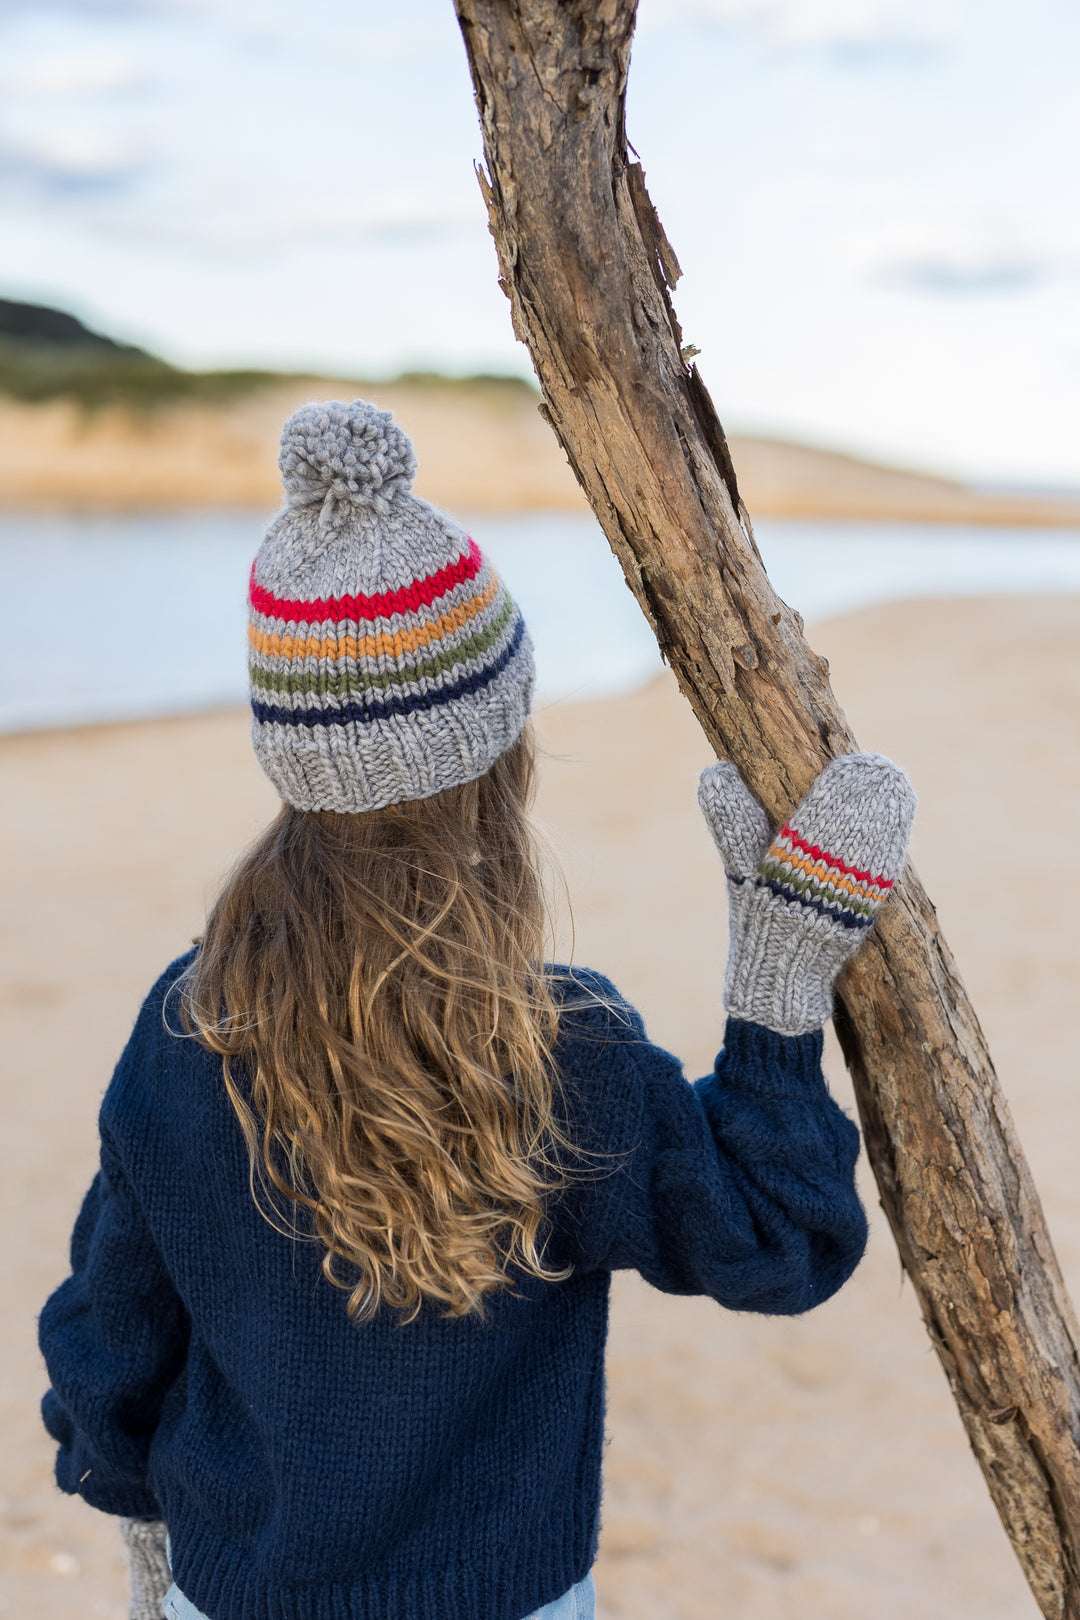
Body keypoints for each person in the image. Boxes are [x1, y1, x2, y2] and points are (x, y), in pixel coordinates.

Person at [38, 399, 915, 1620]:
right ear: (505, 760)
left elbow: (109, 1335)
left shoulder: (189, 1028)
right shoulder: (566, 1055)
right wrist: (775, 992)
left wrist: (142, 1545)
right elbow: (781, 1240)